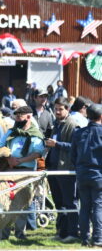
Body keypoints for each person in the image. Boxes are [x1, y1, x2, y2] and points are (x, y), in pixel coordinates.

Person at [0, 106, 45, 240]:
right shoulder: (11, 132)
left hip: (26, 170)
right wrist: (9, 159)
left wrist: (20, 160)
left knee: (24, 203)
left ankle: (20, 232)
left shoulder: (35, 134)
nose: (17, 119)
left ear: (28, 117)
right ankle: (4, 232)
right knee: (6, 201)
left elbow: (37, 153)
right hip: (9, 169)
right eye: (16, 116)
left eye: (20, 116)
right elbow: (2, 147)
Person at [45, 97, 79, 243]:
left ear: (68, 109)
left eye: (61, 109)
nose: (57, 112)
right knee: (59, 203)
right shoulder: (56, 124)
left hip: (67, 170)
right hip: (54, 169)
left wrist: (57, 144)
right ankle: (62, 232)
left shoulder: (73, 124)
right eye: (56, 109)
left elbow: (75, 147)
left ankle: (73, 233)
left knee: (70, 203)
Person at [71, 104, 102, 247]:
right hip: (98, 174)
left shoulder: (78, 133)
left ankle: (84, 238)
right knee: (98, 207)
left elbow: (73, 156)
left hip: (82, 174)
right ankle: (97, 238)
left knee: (85, 207)